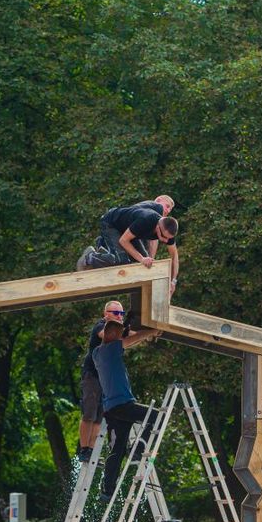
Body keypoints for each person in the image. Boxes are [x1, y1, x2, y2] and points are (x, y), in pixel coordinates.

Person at [91, 318, 161, 499]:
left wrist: (141, 336)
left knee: (117, 449)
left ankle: (107, 490)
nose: (123, 337)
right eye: (120, 334)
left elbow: (129, 342)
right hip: (123, 405)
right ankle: (138, 449)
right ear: (113, 335)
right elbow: (128, 342)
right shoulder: (112, 348)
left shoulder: (97, 352)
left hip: (112, 410)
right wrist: (152, 331)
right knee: (156, 416)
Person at [77, 300, 145, 461]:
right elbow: (109, 336)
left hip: (105, 379)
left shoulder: (119, 330)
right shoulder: (101, 326)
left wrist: (146, 334)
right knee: (89, 413)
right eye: (115, 313)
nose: (119, 316)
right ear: (105, 314)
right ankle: (84, 449)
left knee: (100, 416)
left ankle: (91, 451)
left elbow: (127, 341)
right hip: (92, 376)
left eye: (121, 314)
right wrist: (139, 333)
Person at [78, 195, 180, 294]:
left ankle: (104, 250)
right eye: (166, 206)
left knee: (144, 264)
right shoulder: (149, 215)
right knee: (122, 261)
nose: (166, 240)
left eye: (168, 239)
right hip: (112, 224)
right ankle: (90, 257)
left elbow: (174, 256)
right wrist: (142, 259)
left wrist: (173, 281)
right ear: (157, 227)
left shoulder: (168, 228)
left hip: (130, 231)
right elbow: (123, 240)